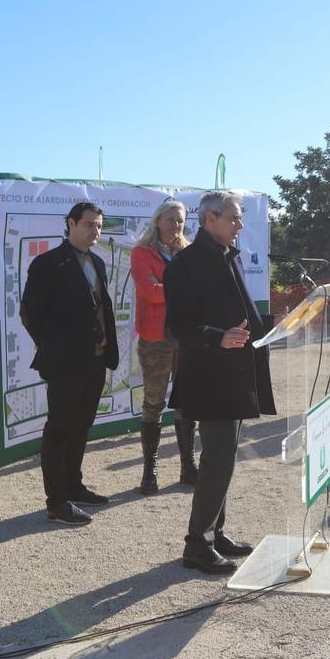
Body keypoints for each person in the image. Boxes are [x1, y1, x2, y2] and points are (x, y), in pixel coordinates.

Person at [167, 191, 276, 574]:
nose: (240, 224)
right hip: (209, 376)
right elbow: (178, 325)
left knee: (225, 459)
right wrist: (218, 336)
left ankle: (216, 533)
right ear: (209, 219)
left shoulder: (230, 256)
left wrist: (266, 333)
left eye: (240, 217)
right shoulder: (186, 264)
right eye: (232, 218)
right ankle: (196, 545)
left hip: (236, 373)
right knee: (216, 460)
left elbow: (241, 310)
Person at [20, 201, 119, 526]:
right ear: (71, 224)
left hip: (96, 359)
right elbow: (30, 313)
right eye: (89, 224)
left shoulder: (98, 263)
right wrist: (54, 347)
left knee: (80, 427)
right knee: (59, 429)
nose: (96, 231)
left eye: (99, 225)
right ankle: (56, 501)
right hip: (65, 362)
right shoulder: (48, 263)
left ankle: (73, 486)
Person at [130, 199, 196, 495]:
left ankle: (187, 465)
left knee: (185, 400)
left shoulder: (190, 252)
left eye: (180, 220)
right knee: (154, 402)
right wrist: (181, 290)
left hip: (186, 337)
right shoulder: (142, 252)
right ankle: (150, 470)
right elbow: (149, 291)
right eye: (170, 219)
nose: (176, 225)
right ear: (157, 221)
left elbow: (198, 290)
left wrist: (169, 288)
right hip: (155, 338)